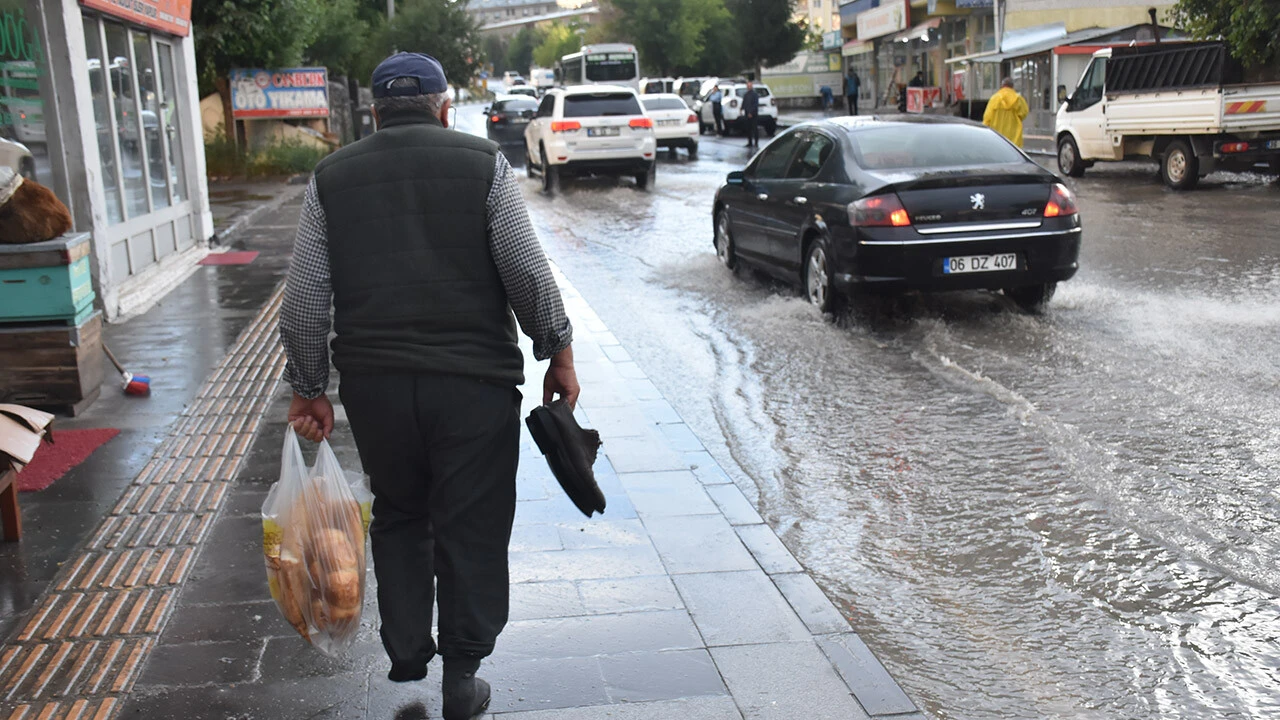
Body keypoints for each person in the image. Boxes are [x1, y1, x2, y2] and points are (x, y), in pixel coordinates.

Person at [279, 52, 579, 720]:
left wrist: (308, 386)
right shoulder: (482, 165)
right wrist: (556, 348)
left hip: (377, 387)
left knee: (401, 510)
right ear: (446, 106)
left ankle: (409, 648)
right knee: (470, 521)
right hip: (474, 386)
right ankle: (462, 672)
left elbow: (303, 301)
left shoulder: (331, 177)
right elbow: (526, 272)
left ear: (376, 113)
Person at [983, 77, 1030, 147]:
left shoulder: (994, 99)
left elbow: (987, 118)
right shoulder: (1018, 99)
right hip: (1014, 138)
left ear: (1002, 86)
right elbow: (1024, 113)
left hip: (997, 137)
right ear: (1012, 86)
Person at [742, 81, 760, 149]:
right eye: (748, 86)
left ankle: (756, 142)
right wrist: (742, 109)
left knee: (754, 128)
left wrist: (751, 112)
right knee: (748, 128)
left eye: (750, 86)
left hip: (753, 114)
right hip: (747, 113)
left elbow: (755, 104)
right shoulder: (746, 94)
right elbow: (744, 103)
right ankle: (749, 142)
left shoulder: (754, 94)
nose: (748, 87)